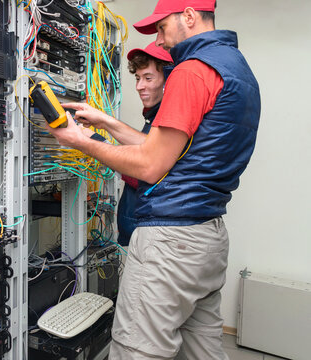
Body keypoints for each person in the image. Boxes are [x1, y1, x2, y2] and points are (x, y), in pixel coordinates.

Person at [47, 0, 261, 358]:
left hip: (170, 242)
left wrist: (80, 141)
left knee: (137, 350)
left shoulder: (192, 71)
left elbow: (150, 166)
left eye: (161, 28)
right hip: (206, 237)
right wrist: (107, 122)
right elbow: (172, 150)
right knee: (203, 349)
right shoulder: (236, 68)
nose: (159, 41)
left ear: (190, 15)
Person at [116, 42, 172, 247]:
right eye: (138, 78)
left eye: (148, 78)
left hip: (149, 233)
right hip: (142, 231)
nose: (140, 86)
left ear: (168, 81)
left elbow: (143, 171)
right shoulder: (154, 116)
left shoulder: (168, 120)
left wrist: (94, 143)